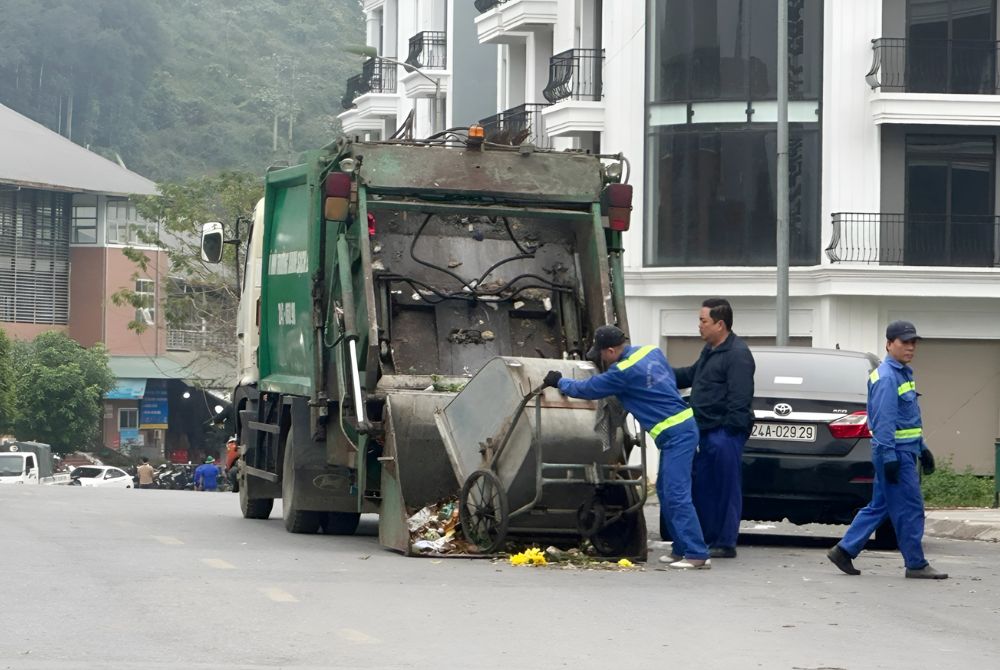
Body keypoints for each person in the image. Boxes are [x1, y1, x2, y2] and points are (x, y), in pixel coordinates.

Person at [544, 325, 711, 569]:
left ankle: (696, 553)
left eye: (601, 354)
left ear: (611, 350)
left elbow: (588, 389)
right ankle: (680, 548)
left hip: (678, 435)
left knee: (676, 494)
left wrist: (560, 381)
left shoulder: (622, 372)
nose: (601, 359)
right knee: (665, 490)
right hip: (679, 430)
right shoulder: (651, 353)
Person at [827, 320, 947, 579]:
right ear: (889, 344)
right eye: (905, 342)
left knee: (880, 506)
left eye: (913, 342)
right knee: (910, 508)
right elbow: (883, 423)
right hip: (895, 455)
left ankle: (844, 551)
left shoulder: (904, 373)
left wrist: (922, 448)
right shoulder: (886, 377)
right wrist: (890, 458)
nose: (911, 347)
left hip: (905, 451)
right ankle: (916, 564)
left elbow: (907, 419)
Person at [672, 298, 755, 559]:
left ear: (720, 324)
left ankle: (725, 542)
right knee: (705, 487)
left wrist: (730, 430)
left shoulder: (737, 354)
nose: (699, 326)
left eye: (703, 321)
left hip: (724, 432)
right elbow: (690, 375)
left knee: (725, 487)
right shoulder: (710, 351)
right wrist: (657, 372)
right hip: (705, 431)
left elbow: (740, 397)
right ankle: (707, 538)